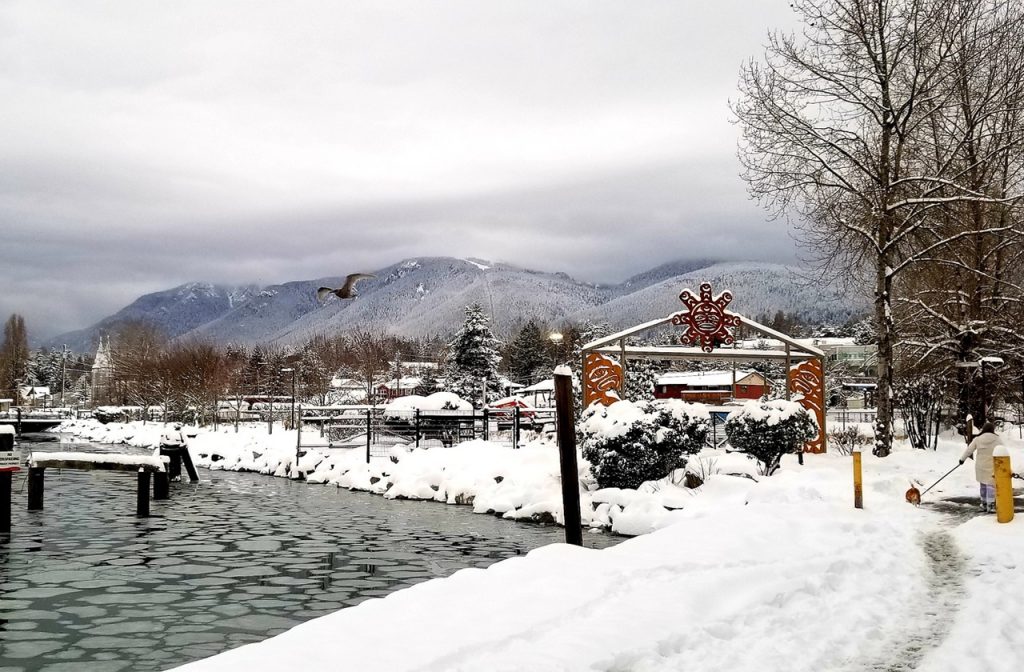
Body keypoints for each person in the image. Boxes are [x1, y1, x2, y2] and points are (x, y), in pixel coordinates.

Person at [960, 421, 1000, 512]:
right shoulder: (997, 439)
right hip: (992, 465)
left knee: (983, 484)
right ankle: (991, 505)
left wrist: (962, 459)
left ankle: (984, 503)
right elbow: (1003, 450)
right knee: (991, 485)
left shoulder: (978, 439)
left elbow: (969, 450)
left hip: (980, 466)